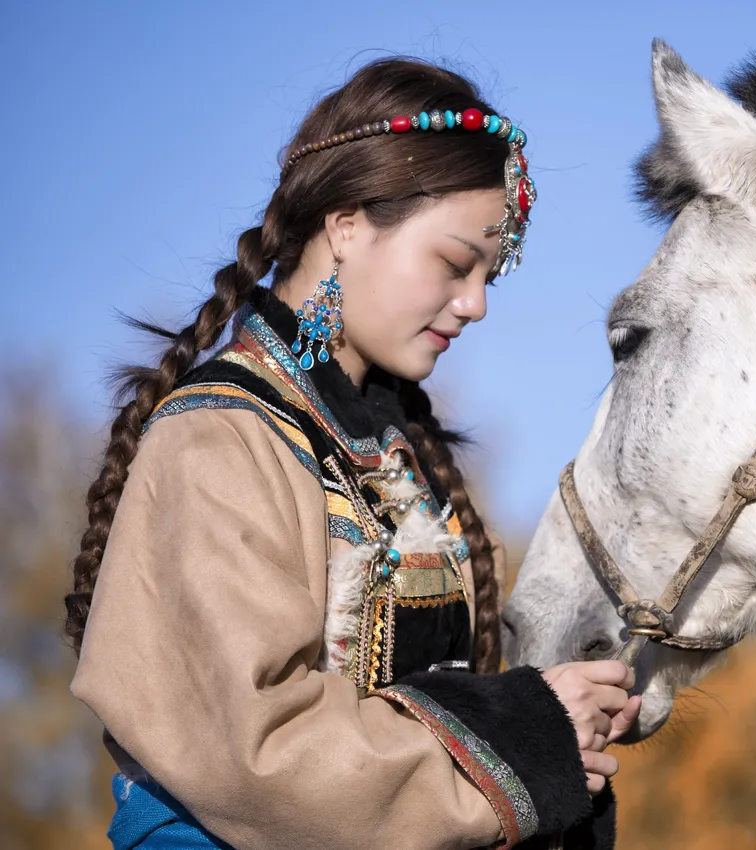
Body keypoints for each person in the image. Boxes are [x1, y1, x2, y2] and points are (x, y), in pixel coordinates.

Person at [65, 56, 639, 850]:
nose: (474, 304)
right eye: (454, 264)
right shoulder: (218, 438)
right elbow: (257, 750)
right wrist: (521, 736)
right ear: (346, 225)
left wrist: (563, 727)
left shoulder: (393, 453)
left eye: (488, 279)